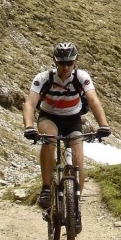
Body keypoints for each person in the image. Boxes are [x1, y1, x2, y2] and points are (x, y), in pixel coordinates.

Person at [23, 41, 110, 209]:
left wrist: (103, 125)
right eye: (61, 63)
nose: (65, 67)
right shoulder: (43, 78)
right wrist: (29, 126)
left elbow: (93, 99)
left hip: (73, 120)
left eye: (70, 63)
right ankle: (46, 188)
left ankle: (75, 204)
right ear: (55, 62)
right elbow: (30, 103)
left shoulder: (81, 77)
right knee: (50, 140)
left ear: (75, 61)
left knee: (78, 161)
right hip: (49, 117)